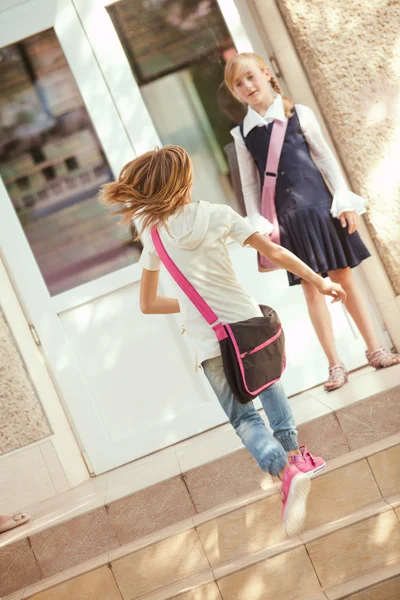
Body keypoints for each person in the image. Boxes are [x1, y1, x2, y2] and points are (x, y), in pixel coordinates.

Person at [100, 146, 345, 535]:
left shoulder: (152, 234)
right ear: (186, 182)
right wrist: (320, 281)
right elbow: (276, 252)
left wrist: (189, 308)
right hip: (246, 323)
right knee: (268, 383)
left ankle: (283, 470)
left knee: (244, 418)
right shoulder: (217, 215)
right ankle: (296, 455)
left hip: (207, 339)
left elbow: (147, 303)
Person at [224, 52, 400, 391]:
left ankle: (375, 349)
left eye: (250, 77)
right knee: (312, 289)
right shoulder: (242, 134)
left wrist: (343, 201)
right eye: (238, 83)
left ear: (265, 74)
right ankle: (335, 365)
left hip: (321, 209)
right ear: (234, 91)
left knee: (345, 280)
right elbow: (249, 184)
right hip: (288, 223)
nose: (247, 86)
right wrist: (259, 225)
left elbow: (325, 158)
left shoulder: (297, 114)